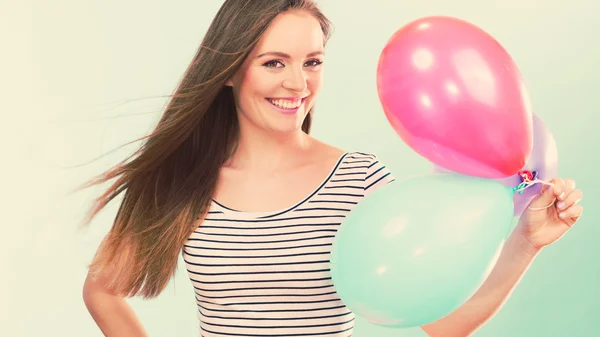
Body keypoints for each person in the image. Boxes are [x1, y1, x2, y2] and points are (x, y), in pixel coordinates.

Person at [79, 1, 584, 336]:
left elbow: (441, 323)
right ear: (231, 70)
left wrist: (527, 243)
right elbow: (102, 290)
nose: (297, 83)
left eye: (312, 62)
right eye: (274, 62)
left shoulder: (359, 180)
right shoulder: (184, 180)